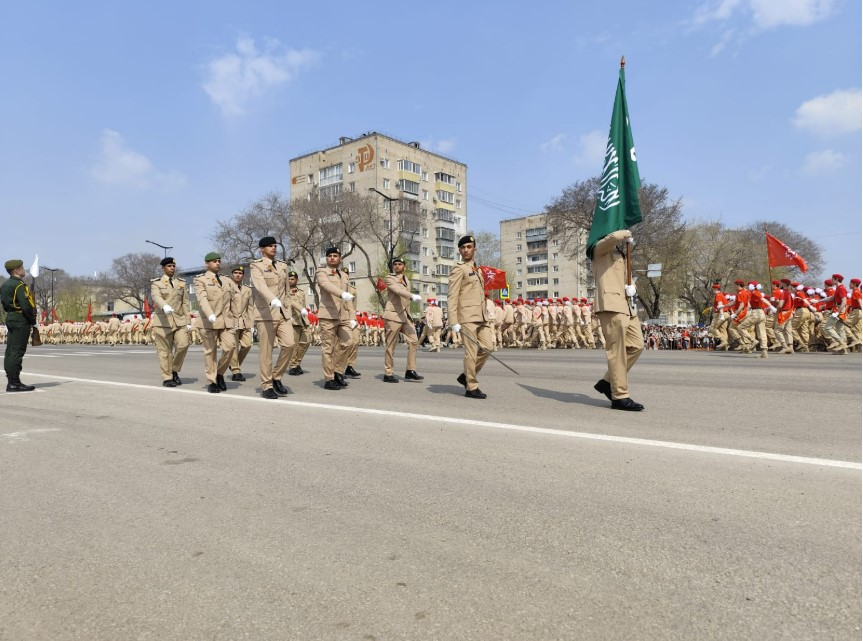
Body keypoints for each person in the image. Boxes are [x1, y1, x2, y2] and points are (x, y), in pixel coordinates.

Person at [590, 230, 644, 411]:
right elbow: (612, 238)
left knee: (637, 345)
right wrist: (624, 231)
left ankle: (607, 382)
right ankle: (619, 396)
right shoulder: (598, 249)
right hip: (611, 304)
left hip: (627, 305)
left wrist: (632, 288)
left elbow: (624, 276)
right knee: (617, 351)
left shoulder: (619, 252)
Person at [448, 235, 494, 399]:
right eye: (463, 247)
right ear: (459, 250)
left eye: (469, 246)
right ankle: (471, 387)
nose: (466, 250)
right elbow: (452, 296)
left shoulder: (478, 269)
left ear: (475, 248)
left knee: (488, 347)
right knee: (471, 352)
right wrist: (454, 321)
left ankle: (466, 375)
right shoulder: (459, 269)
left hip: (481, 316)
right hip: (466, 316)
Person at [250, 237, 294, 399]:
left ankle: (276, 376)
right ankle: (267, 385)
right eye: (270, 246)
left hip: (282, 313)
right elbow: (260, 286)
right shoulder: (256, 266)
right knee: (266, 352)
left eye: (275, 245)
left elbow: (287, 290)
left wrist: (287, 307)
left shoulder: (282, 266)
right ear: (262, 249)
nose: (274, 248)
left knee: (290, 344)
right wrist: (272, 298)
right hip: (266, 314)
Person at [194, 252, 237, 393]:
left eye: (219, 261)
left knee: (230, 347)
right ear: (207, 263)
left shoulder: (226, 280)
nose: (218, 263)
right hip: (209, 321)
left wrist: (236, 317)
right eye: (214, 261)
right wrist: (209, 313)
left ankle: (219, 373)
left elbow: (233, 300)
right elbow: (202, 299)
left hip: (225, 321)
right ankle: (212, 381)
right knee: (210, 352)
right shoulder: (200, 280)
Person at [315, 246, 355, 390]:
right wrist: (341, 294)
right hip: (328, 315)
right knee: (328, 348)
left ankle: (338, 371)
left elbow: (348, 298)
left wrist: (353, 317)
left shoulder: (344, 276)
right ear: (327, 258)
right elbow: (325, 285)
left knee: (348, 342)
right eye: (330, 255)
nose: (332, 258)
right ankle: (329, 378)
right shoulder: (321, 272)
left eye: (335, 256)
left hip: (343, 315)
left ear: (340, 258)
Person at [150, 257, 190, 387]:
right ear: (163, 268)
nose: (172, 268)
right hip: (163, 321)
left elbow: (184, 302)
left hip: (179, 320)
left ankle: (174, 370)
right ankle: (167, 378)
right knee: (164, 351)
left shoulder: (181, 283)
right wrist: (164, 305)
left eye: (173, 266)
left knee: (183, 345)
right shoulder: (156, 283)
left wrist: (188, 320)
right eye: (169, 266)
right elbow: (156, 297)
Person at [382, 256, 423, 383]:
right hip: (393, 315)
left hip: (406, 316)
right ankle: (388, 373)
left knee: (414, 341)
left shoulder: (407, 280)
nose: (397, 266)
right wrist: (411, 296)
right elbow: (398, 290)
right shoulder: (390, 278)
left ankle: (410, 370)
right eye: (395, 264)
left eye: (400, 264)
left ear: (404, 267)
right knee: (391, 345)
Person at [1, 259, 37, 391]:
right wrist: (33, 320)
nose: (24, 269)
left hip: (11, 316)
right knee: (17, 351)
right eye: (21, 267)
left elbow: (5, 304)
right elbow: (25, 305)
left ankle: (12, 380)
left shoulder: (5, 285)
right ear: (16, 270)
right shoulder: (19, 285)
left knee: (10, 351)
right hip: (21, 318)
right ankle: (14, 382)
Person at [228, 265, 253, 381]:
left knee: (247, 345)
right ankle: (236, 371)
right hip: (231, 320)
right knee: (233, 346)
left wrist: (251, 323)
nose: (238, 275)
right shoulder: (227, 288)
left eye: (240, 273)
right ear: (232, 275)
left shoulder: (248, 289)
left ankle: (234, 364)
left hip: (244, 321)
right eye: (236, 273)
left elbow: (250, 307)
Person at [286, 270, 312, 376]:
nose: (290, 281)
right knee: (294, 345)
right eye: (289, 279)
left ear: (297, 280)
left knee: (306, 342)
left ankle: (297, 362)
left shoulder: (301, 292)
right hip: (292, 321)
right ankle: (293, 366)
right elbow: (290, 304)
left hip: (302, 320)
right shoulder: (285, 292)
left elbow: (304, 305)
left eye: (292, 279)